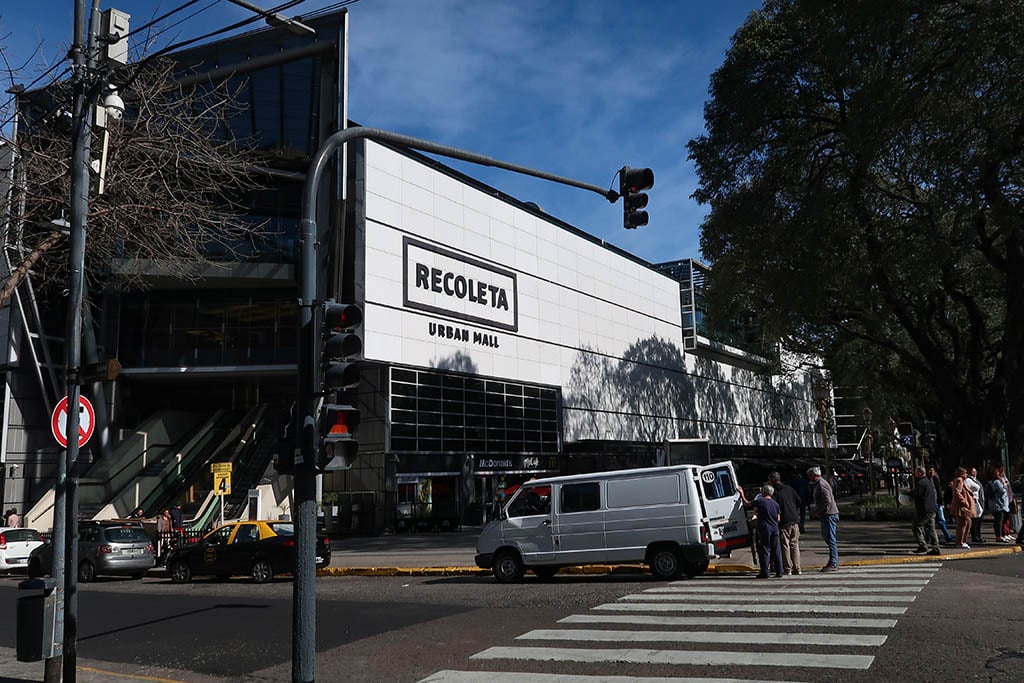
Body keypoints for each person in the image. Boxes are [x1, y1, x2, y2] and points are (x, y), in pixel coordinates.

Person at [769, 471, 801, 575]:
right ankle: (797, 568)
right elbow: (798, 500)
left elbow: (774, 507)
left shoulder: (774, 492)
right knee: (794, 545)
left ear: (773, 480)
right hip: (794, 519)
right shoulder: (789, 488)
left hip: (784, 521)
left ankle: (788, 568)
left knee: (785, 545)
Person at [807, 466, 840, 572]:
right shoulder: (819, 484)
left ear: (814, 475)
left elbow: (827, 500)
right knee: (827, 537)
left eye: (810, 475)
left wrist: (819, 510)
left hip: (829, 514)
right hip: (827, 514)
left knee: (830, 538)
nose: (809, 477)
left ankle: (833, 563)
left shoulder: (821, 484)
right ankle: (832, 561)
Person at [751, 484, 784, 578]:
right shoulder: (775, 503)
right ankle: (779, 571)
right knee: (776, 550)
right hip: (775, 528)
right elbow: (778, 518)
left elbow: (747, 503)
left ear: (764, 492)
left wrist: (741, 494)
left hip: (765, 528)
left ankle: (764, 571)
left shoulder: (760, 501)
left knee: (765, 550)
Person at [910, 466, 942, 556]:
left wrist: (910, 494)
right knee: (931, 528)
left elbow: (917, 494)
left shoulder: (920, 483)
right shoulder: (928, 481)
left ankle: (922, 545)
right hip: (932, 509)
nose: (915, 474)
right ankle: (936, 547)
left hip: (924, 509)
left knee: (916, 526)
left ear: (920, 472)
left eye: (916, 472)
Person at [949, 467, 975, 549]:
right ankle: (960, 542)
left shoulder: (961, 481)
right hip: (961, 506)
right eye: (965, 473)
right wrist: (964, 501)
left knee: (967, 523)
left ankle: (963, 541)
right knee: (963, 524)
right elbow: (957, 492)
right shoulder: (959, 480)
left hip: (963, 506)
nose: (966, 474)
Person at [927, 466, 954, 543]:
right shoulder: (925, 480)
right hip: (929, 504)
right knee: (928, 522)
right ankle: (928, 538)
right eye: (929, 470)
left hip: (937, 503)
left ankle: (948, 536)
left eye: (932, 470)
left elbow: (938, 491)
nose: (931, 472)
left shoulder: (935, 479)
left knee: (941, 520)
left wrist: (941, 502)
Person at [986, 468, 1012, 543]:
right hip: (999, 504)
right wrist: (1004, 485)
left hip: (994, 503)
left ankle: (1001, 535)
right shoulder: (997, 482)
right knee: (999, 521)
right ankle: (999, 536)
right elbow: (1002, 491)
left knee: (999, 520)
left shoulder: (990, 482)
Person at [965, 467, 986, 543]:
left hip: (979, 501)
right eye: (971, 471)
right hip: (974, 502)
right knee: (975, 520)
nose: (973, 473)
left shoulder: (976, 480)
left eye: (974, 471)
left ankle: (978, 535)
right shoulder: (968, 480)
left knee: (979, 520)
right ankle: (975, 536)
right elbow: (967, 490)